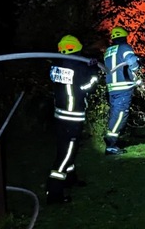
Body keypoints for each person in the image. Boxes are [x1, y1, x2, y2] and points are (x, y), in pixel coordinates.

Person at [46, 34, 101, 204]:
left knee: (66, 147)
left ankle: (70, 178)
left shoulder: (56, 63)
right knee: (67, 152)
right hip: (72, 115)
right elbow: (87, 87)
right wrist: (93, 71)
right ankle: (54, 192)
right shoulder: (78, 66)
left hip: (59, 114)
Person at [102, 26, 142, 155]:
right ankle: (111, 144)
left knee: (115, 114)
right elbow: (132, 62)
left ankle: (111, 141)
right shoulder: (125, 47)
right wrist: (137, 66)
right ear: (124, 36)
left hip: (112, 87)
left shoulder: (108, 50)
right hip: (123, 87)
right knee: (120, 115)